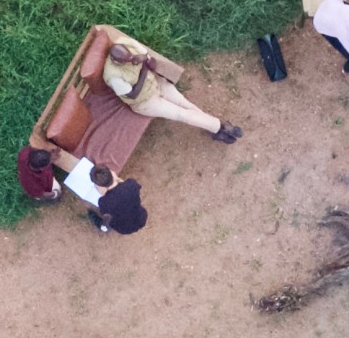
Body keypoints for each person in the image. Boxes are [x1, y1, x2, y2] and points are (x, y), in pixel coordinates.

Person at [104, 43, 242, 143]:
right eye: (125, 61)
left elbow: (152, 63)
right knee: (181, 114)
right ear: (115, 61)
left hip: (155, 83)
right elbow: (133, 94)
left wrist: (144, 59)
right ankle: (221, 127)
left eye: (130, 57)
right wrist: (144, 71)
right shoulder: (114, 76)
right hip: (144, 101)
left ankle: (216, 129)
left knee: (185, 103)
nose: (130, 61)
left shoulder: (129, 46)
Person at [85, 167, 147, 235]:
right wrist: (118, 180)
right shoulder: (131, 184)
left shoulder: (103, 202)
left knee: (105, 224)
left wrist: (104, 193)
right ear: (112, 173)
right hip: (141, 218)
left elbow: (106, 215)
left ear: (100, 187)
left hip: (124, 229)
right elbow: (135, 187)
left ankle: (101, 225)